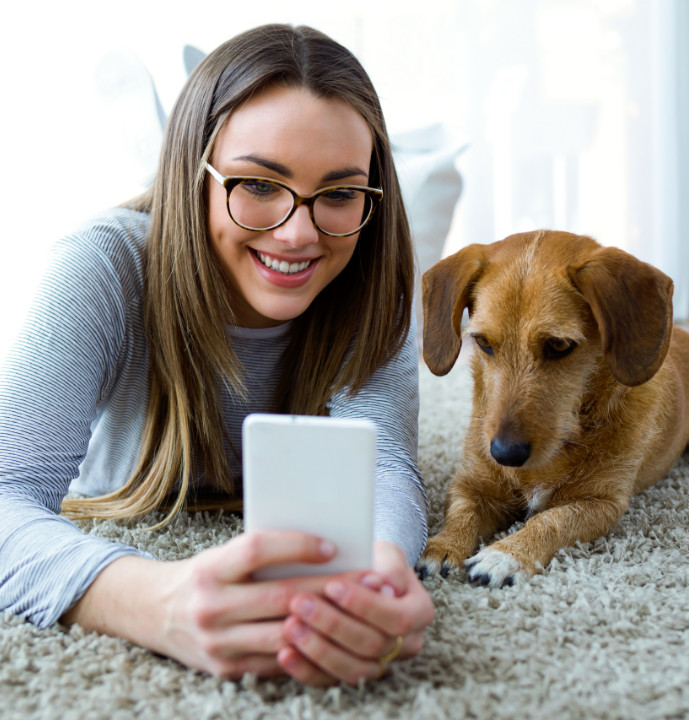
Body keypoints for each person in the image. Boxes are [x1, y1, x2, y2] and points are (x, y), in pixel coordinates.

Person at [0, 24, 434, 687]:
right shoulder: (99, 266)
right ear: (194, 175)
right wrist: (156, 603)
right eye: (258, 184)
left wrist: (379, 573)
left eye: (340, 194)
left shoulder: (372, 281)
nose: (298, 232)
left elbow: (389, 465)